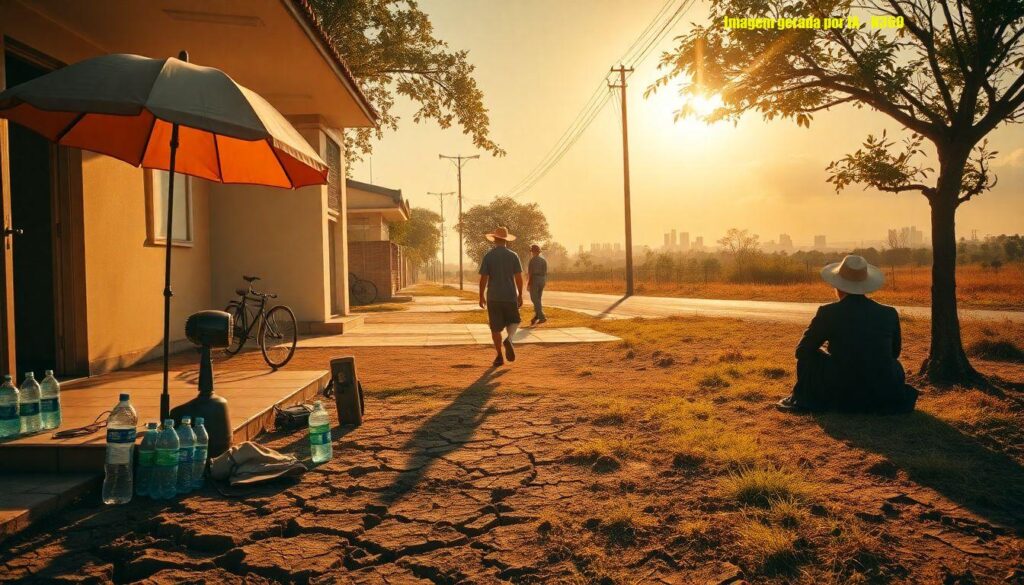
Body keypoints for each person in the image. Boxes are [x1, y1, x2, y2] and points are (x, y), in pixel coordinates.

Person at [777, 254, 918, 414]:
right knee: (895, 365)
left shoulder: (828, 313)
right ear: (866, 285)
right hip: (882, 389)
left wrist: (824, 352)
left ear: (838, 286)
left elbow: (802, 351)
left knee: (808, 358)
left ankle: (808, 395)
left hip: (842, 389)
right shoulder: (889, 313)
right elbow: (894, 353)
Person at [478, 226, 524, 367]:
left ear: (494, 240)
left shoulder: (489, 256)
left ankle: (499, 356)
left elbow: (484, 278)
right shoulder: (513, 255)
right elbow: (518, 278)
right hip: (510, 296)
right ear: (506, 241)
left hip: (493, 297)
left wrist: (481, 296)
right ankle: (509, 339)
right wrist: (520, 294)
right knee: (515, 320)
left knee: (495, 328)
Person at [527, 244, 548, 326]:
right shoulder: (543, 260)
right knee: (538, 299)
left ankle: (542, 317)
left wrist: (529, 283)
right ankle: (536, 317)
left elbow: (530, 273)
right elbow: (545, 272)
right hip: (542, 280)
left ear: (533, 251)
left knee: (534, 298)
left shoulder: (532, 260)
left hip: (535, 279)